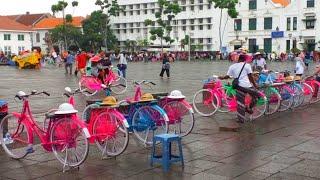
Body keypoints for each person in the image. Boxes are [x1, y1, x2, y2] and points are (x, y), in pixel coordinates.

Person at [219, 54, 259, 123]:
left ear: (238, 59)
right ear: (244, 60)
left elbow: (227, 76)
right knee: (257, 96)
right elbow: (250, 76)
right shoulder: (247, 65)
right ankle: (249, 107)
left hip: (239, 87)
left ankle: (241, 119)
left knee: (240, 103)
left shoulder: (232, 66)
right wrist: (255, 85)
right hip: (248, 86)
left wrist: (221, 77)